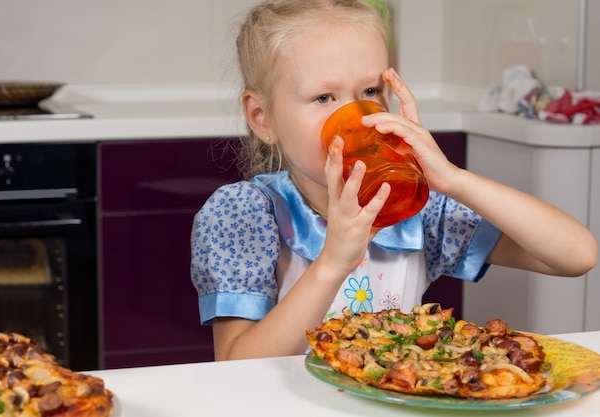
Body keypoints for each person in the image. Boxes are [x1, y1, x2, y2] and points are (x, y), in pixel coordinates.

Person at [190, 0, 598, 361]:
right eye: (323, 98)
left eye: (370, 90)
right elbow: (236, 364)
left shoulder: (412, 208)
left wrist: (453, 180)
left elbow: (576, 255)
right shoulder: (243, 214)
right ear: (262, 118)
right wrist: (333, 262)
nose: (359, 117)